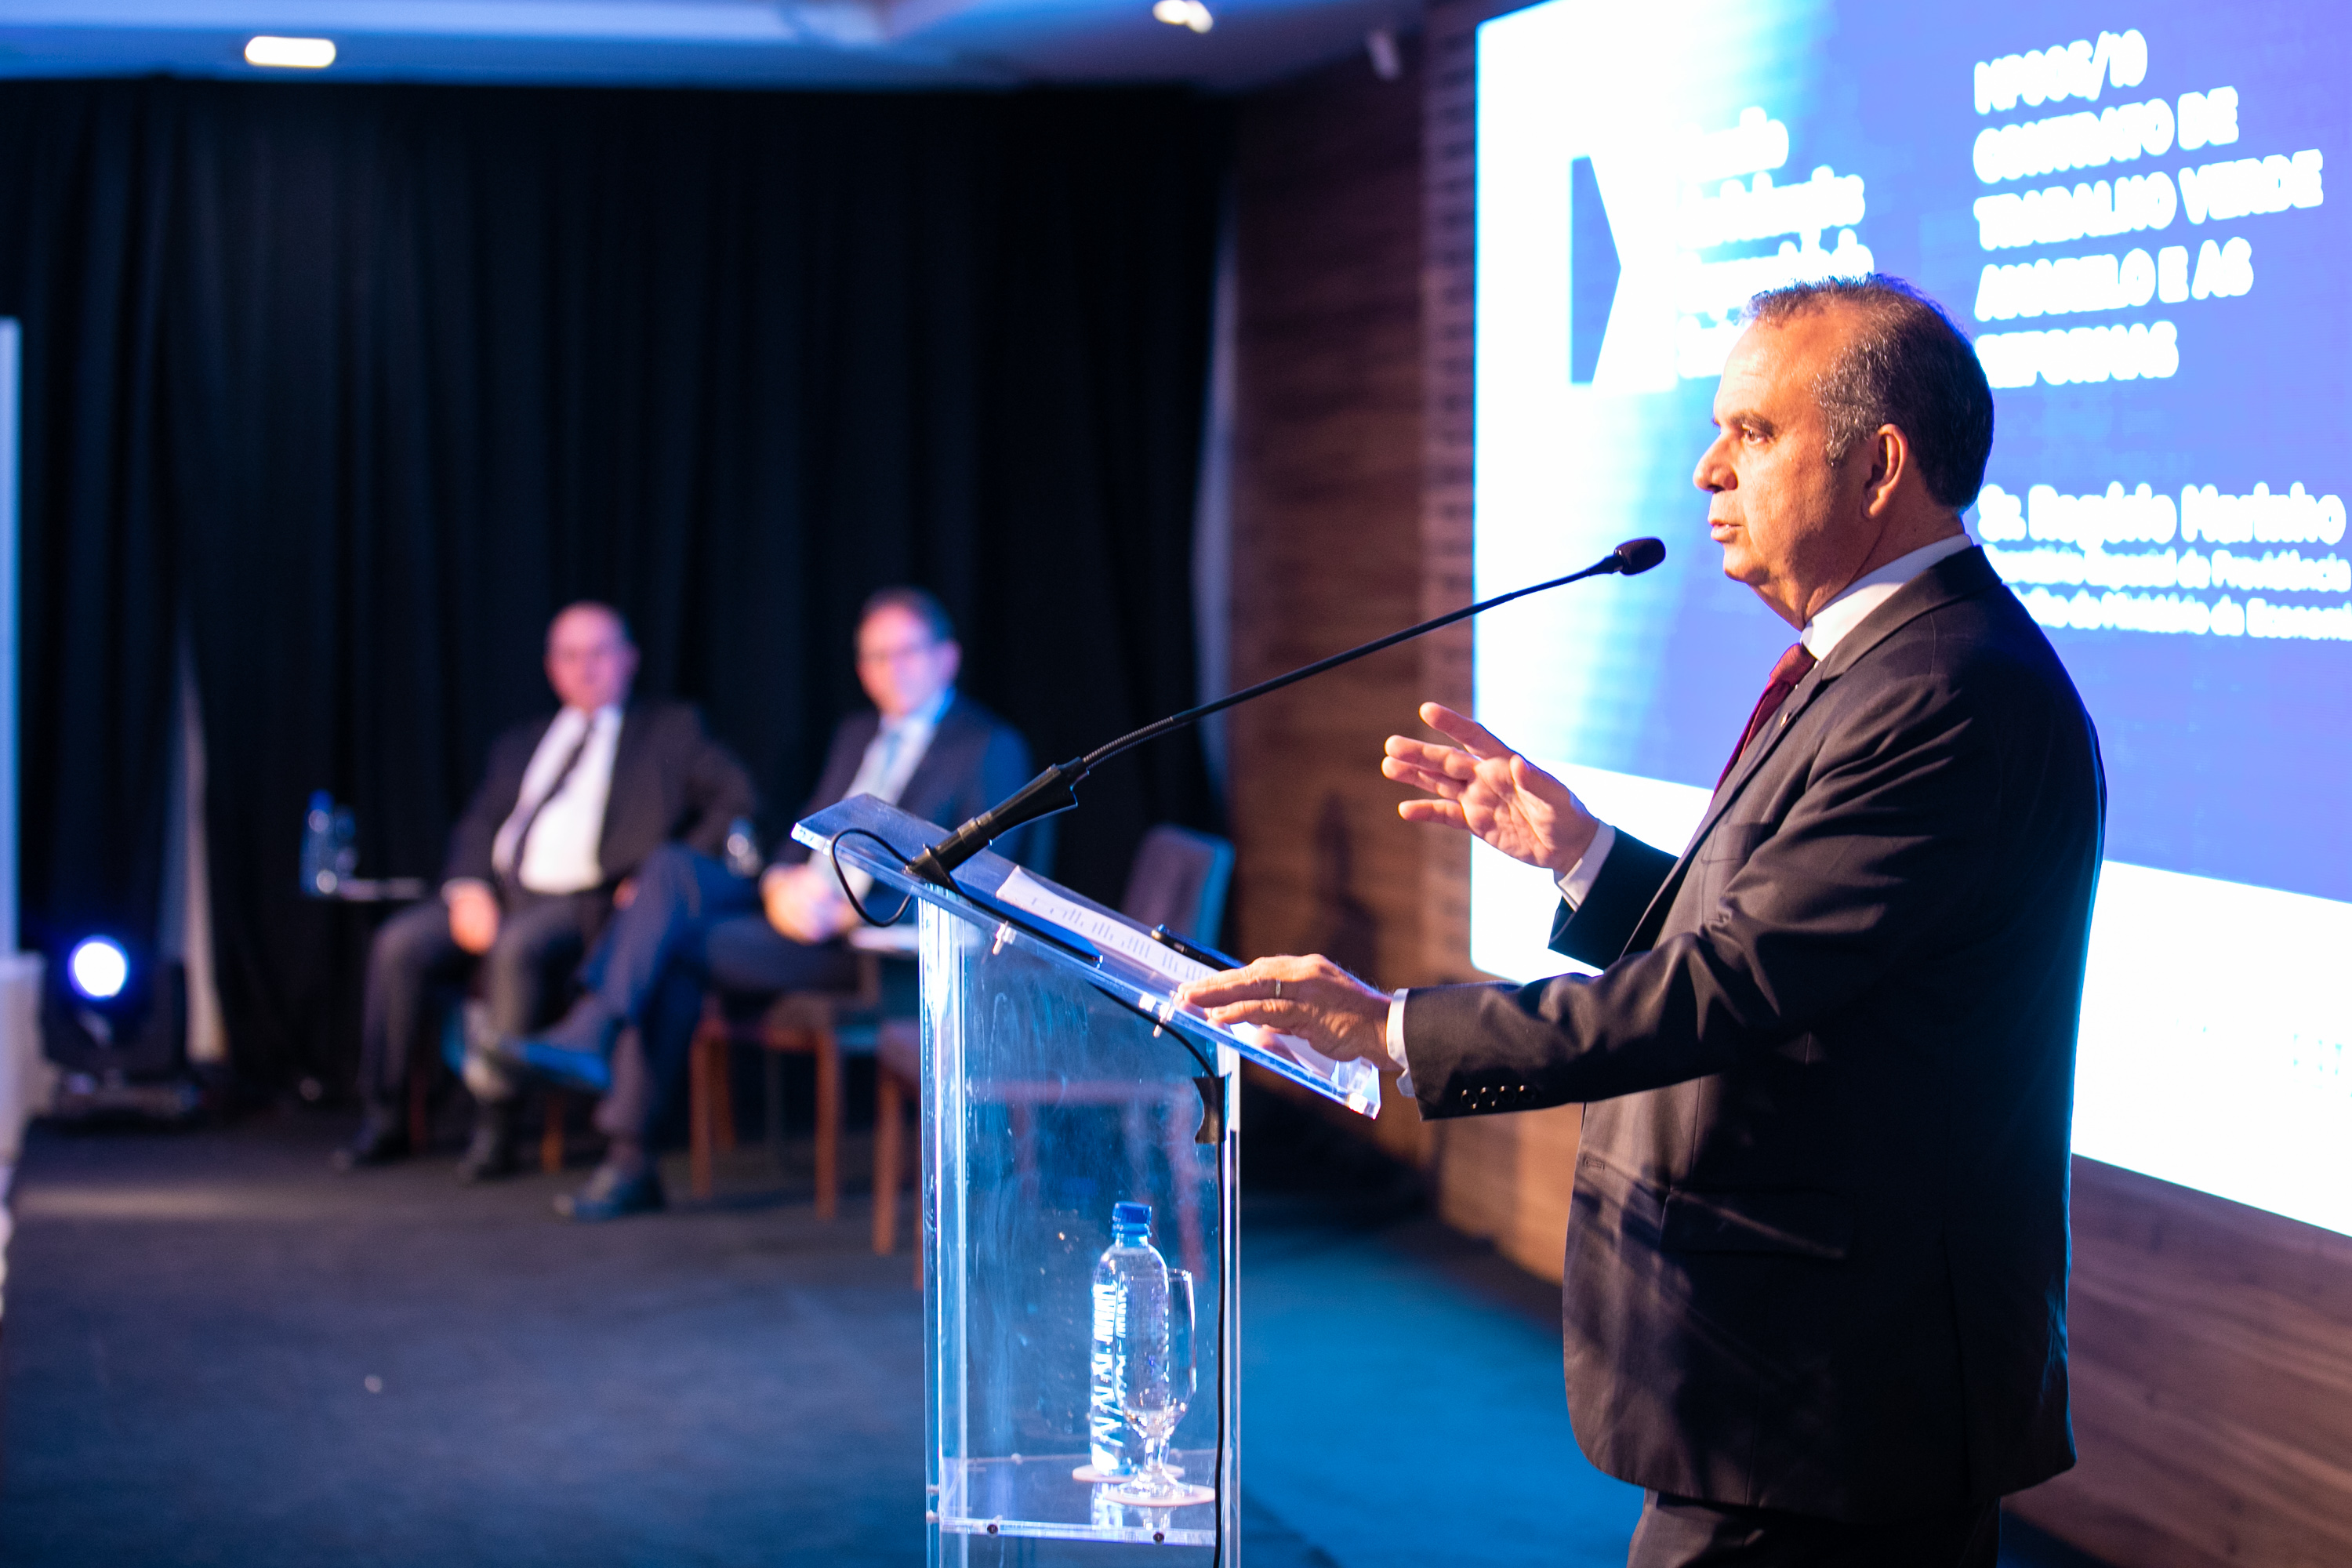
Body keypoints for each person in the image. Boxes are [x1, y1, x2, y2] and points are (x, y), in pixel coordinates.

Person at [1179, 278, 2105, 1566]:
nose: (1708, 469)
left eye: (1754, 432)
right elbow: (1791, 947)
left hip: (1838, 1395)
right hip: (1801, 1384)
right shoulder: (1887, 663)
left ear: (1880, 464)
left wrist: (1393, 1032)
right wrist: (1583, 855)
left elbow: (1735, 986)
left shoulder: (1946, 690)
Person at [495, 586, 1044, 1221]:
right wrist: (781, 884)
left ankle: (619, 1122)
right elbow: (807, 832)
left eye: (905, 652)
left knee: (671, 948)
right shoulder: (859, 733)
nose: (889, 670)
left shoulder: (986, 745)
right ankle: (607, 1069)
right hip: (800, 919)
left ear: (947, 658)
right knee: (672, 870)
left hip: (873, 944)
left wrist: (853, 910)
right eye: (874, 656)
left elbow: (983, 884)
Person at [337, 602, 755, 1178]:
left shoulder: (669, 730)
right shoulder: (521, 742)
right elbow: (479, 823)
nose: (585, 668)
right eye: (570, 655)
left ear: (629, 659)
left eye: (599, 652)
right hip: (502, 891)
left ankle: (497, 1125)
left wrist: (657, 877)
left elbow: (736, 802)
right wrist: (467, 888)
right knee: (398, 944)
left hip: (587, 900)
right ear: (551, 666)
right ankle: (383, 1116)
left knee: (517, 948)